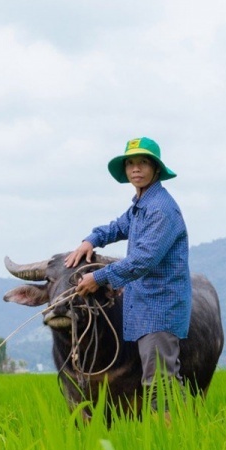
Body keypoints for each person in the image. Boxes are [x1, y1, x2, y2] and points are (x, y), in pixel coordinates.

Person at [66, 136, 193, 403]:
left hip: (160, 306)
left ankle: (174, 441)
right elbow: (118, 226)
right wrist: (91, 239)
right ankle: (175, 435)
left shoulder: (161, 209)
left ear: (156, 168)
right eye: (131, 163)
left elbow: (143, 260)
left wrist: (98, 278)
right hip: (144, 305)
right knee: (157, 380)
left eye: (143, 162)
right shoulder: (140, 205)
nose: (136, 168)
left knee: (161, 383)